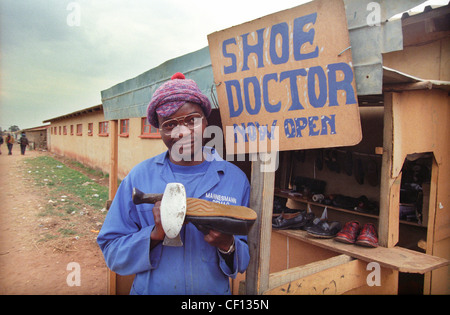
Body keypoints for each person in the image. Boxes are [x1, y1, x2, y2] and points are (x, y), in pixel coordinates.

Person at [97, 73, 251, 295]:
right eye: (169, 124)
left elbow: (244, 257)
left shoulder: (234, 180)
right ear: (159, 130)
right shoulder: (139, 177)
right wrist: (155, 234)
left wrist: (227, 245)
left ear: (206, 121)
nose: (183, 132)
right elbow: (112, 252)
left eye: (192, 120)